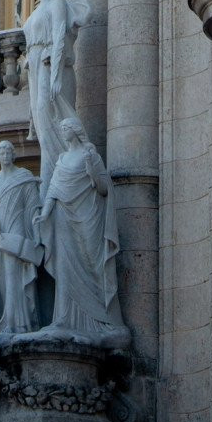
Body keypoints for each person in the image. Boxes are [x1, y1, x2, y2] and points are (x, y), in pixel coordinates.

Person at [39, 113, 125, 342]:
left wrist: (92, 170)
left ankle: (102, 320)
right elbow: (54, 189)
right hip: (63, 216)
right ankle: (64, 318)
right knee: (65, 266)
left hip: (88, 216)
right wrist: (45, 213)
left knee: (92, 264)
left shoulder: (90, 155)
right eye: (61, 128)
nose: (62, 131)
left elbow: (104, 188)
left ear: (75, 130)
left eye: (65, 127)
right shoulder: (61, 159)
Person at [22, 0, 91, 191]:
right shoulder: (37, 11)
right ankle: (50, 186)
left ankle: (61, 184)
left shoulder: (57, 5)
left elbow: (60, 38)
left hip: (51, 69)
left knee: (52, 122)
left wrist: (56, 77)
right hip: (36, 70)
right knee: (43, 130)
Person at [0, 140, 44, 334]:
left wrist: (36, 234)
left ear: (13, 154)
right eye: (2, 153)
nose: (5, 156)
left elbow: (33, 207)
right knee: (3, 281)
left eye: (8, 152)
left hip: (17, 229)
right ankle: (12, 322)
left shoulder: (24, 175)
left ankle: (17, 324)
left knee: (14, 276)